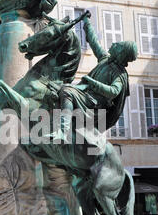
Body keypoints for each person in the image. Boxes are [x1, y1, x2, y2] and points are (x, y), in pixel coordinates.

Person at [50, 12, 138, 141]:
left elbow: (113, 91)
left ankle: (63, 132)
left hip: (94, 104)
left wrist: (92, 82)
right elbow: (94, 41)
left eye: (118, 45)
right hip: (85, 95)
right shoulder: (105, 59)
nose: (114, 44)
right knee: (54, 87)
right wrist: (86, 22)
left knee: (67, 92)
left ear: (121, 53)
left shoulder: (119, 74)